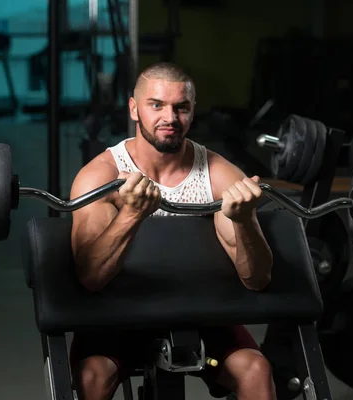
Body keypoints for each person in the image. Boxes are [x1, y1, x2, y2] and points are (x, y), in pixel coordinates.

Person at [69, 62, 277, 400]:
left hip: (199, 310)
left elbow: (257, 279)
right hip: (117, 313)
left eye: (181, 107)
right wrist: (133, 214)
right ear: (134, 109)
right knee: (91, 376)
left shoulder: (219, 175)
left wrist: (243, 222)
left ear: (192, 111)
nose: (170, 117)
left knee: (256, 371)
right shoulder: (101, 177)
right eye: (157, 105)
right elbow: (90, 278)